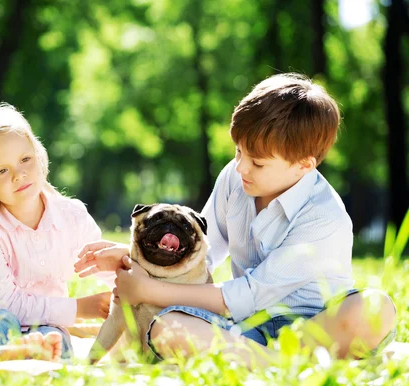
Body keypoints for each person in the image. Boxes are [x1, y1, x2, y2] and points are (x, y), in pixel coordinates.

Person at [74, 73, 397, 367]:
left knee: (374, 308)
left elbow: (247, 295)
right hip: (242, 329)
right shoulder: (237, 178)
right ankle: (281, 363)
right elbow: (202, 253)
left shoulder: (323, 218)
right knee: (167, 327)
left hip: (314, 326)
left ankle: (272, 361)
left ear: (303, 165)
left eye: (257, 162)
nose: (241, 167)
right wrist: (136, 259)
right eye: (238, 152)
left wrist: (150, 291)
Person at [0, 103, 111, 362]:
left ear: (39, 155)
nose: (19, 175)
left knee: (54, 339)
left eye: (25, 159)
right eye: (2, 170)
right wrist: (80, 308)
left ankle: (31, 353)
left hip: (48, 323)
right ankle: (0, 355)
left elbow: (108, 266)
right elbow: (5, 303)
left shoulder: (71, 216)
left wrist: (132, 290)